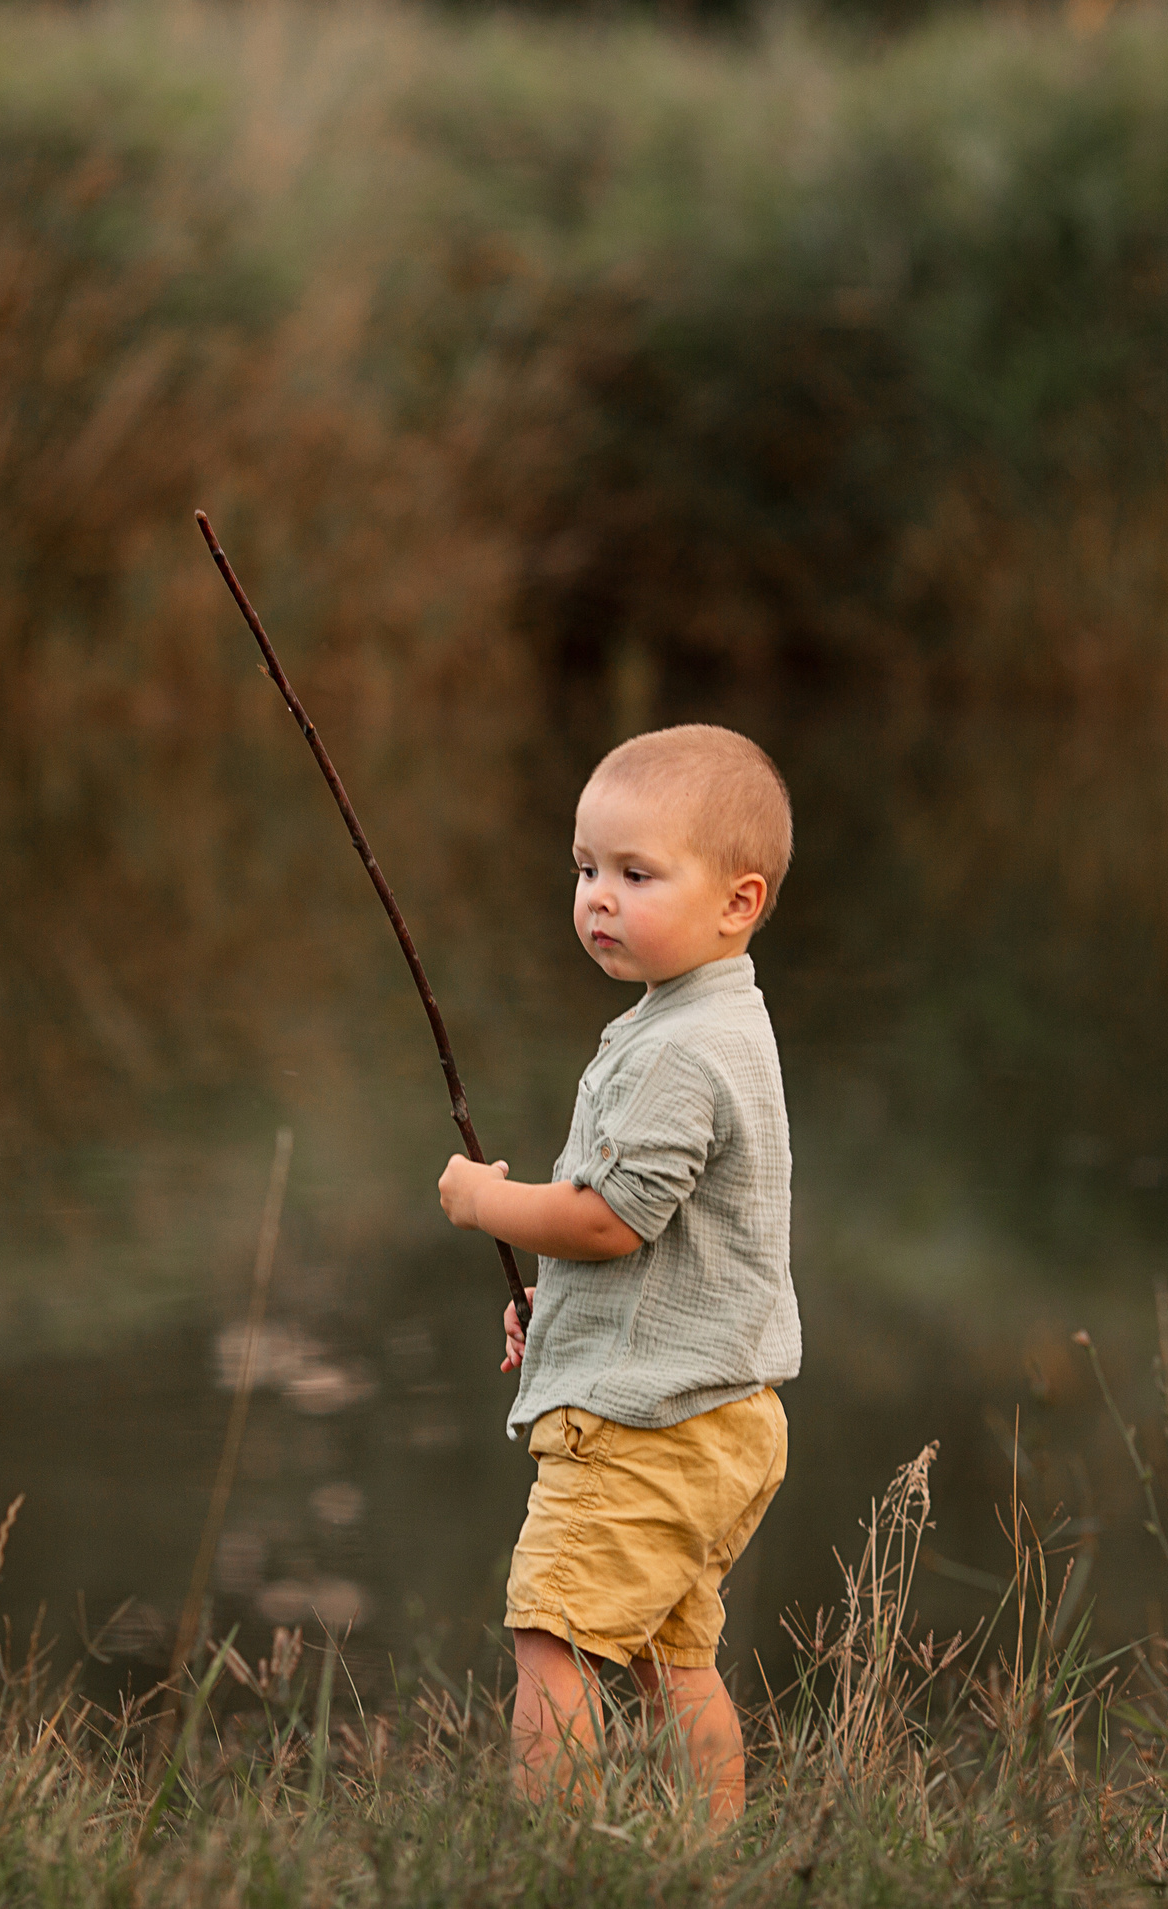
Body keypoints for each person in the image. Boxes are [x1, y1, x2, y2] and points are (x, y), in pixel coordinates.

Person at [436, 723, 800, 1823]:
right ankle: (710, 1861)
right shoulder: (710, 1018)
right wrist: (561, 1319)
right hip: (714, 1409)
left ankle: (556, 1860)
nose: (598, 896)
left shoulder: (679, 1051)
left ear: (738, 902)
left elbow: (610, 1222)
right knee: (666, 1656)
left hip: (647, 1427)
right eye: (586, 869)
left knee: (549, 1633)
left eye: (636, 874)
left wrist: (482, 1201)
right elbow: (663, 1253)